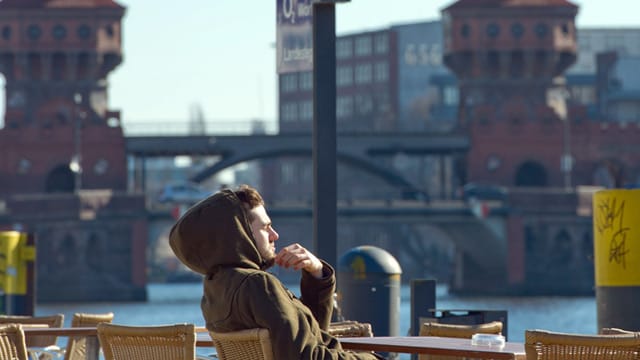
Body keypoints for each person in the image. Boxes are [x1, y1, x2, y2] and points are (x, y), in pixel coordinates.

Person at [169, 184, 382, 359]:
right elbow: (304, 357)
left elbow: (305, 338)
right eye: (265, 227)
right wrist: (370, 358)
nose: (275, 235)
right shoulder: (258, 285)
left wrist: (316, 275)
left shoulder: (218, 287)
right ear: (239, 233)